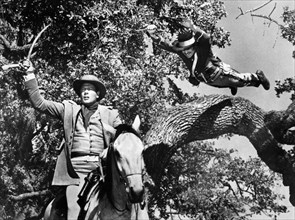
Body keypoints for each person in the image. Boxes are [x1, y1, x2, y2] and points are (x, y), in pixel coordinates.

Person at [20, 60, 122, 220]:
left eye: (90, 89)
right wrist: (29, 74)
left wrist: (110, 150)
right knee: (74, 209)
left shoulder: (111, 114)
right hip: (75, 172)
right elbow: (39, 103)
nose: (86, 92)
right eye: (83, 90)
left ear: (98, 94)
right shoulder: (68, 109)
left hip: (102, 171)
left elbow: (123, 138)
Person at [146, 18, 270, 95]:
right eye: (184, 50)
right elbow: (165, 44)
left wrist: (192, 27)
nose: (186, 52)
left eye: (189, 49)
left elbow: (206, 38)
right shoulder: (180, 51)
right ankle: (230, 85)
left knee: (241, 81)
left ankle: (258, 77)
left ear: (194, 46)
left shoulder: (203, 48)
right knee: (221, 86)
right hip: (208, 80)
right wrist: (152, 34)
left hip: (220, 72)